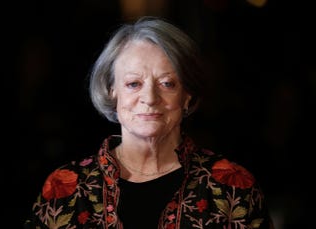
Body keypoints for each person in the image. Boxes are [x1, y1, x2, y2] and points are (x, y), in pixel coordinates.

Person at [24, 16, 275, 229]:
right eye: (134, 84)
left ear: (186, 94)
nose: (150, 98)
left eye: (167, 83)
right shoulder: (64, 188)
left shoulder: (233, 185)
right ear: (112, 90)